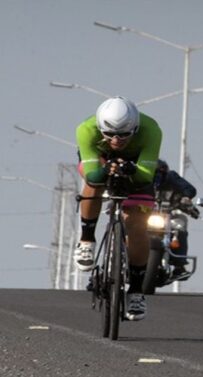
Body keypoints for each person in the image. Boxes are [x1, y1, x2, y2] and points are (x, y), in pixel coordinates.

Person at [73, 96, 162, 321]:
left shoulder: (151, 130)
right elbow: (93, 175)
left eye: (123, 134)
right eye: (109, 134)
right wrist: (106, 171)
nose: (116, 140)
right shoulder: (86, 130)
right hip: (100, 162)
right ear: (100, 128)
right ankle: (86, 240)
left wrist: (130, 169)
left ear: (136, 128)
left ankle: (136, 291)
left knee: (138, 224)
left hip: (136, 168)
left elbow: (145, 176)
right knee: (92, 184)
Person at [152, 159, 200, 280]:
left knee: (180, 223)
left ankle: (179, 266)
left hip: (166, 215)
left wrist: (186, 198)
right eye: (153, 173)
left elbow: (189, 189)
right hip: (142, 215)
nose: (156, 177)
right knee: (125, 225)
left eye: (159, 173)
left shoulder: (171, 177)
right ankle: (116, 261)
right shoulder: (141, 180)